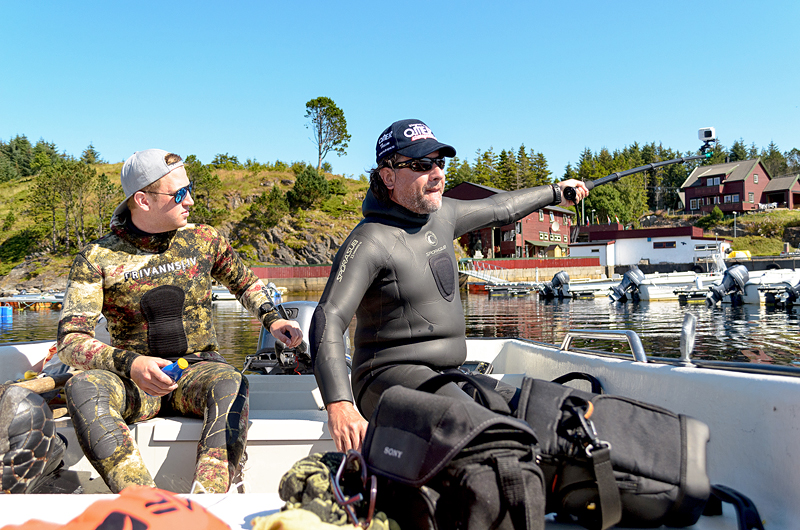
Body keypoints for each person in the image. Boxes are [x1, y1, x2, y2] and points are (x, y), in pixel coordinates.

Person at [310, 119, 589, 452]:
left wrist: (557, 192)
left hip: (449, 373)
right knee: (485, 431)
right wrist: (339, 404)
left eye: (440, 163)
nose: (438, 173)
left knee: (542, 413)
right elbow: (328, 317)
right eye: (421, 165)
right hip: (384, 379)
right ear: (388, 176)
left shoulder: (443, 216)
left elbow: (501, 208)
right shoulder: (369, 240)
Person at [57, 149, 303, 493]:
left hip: (197, 372)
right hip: (136, 384)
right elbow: (71, 340)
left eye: (190, 189)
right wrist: (133, 364)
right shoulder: (97, 257)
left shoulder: (203, 239)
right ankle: (145, 501)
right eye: (179, 194)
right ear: (142, 200)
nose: (190, 201)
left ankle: (208, 498)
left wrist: (273, 320)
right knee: (82, 386)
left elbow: (245, 283)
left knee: (231, 383)